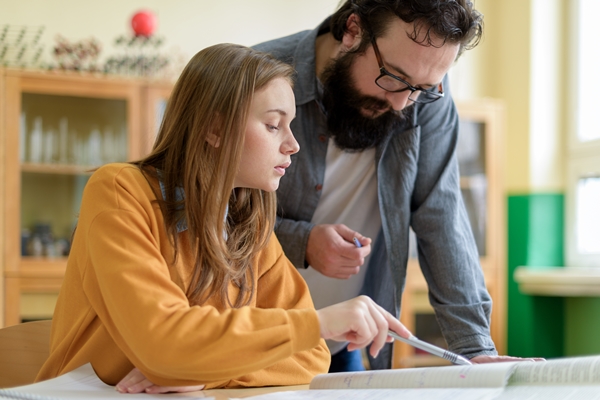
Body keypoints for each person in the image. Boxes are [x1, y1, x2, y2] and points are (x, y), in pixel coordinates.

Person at [35, 43, 410, 393]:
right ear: (214, 129)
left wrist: (205, 370)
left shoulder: (250, 223)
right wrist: (320, 324)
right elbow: (164, 342)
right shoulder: (120, 192)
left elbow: (311, 358)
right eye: (273, 124)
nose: (293, 144)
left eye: (291, 124)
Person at [254, 0, 522, 372]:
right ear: (352, 30)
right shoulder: (256, 76)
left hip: (339, 345)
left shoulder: (423, 97)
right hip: (248, 340)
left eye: (423, 88)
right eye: (393, 77)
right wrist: (302, 242)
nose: (401, 103)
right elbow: (197, 215)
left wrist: (474, 348)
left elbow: (441, 216)